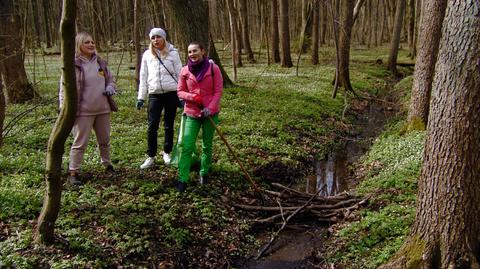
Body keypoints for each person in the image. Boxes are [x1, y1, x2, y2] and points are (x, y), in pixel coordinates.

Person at [59, 32, 117, 185]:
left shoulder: (100, 62)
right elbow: (63, 88)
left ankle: (107, 164)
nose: (91, 45)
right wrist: (63, 107)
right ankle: (73, 171)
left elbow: (110, 79)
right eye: (87, 43)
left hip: (103, 108)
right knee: (80, 142)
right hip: (83, 111)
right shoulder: (73, 64)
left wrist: (111, 86)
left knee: (104, 140)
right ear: (79, 45)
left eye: (92, 42)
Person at [175, 41, 223, 192]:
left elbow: (218, 91)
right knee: (186, 146)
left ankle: (204, 172)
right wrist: (192, 97)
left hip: (210, 114)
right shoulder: (184, 71)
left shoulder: (213, 68)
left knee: (207, 145)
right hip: (192, 113)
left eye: (195, 51)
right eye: (189, 52)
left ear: (202, 51)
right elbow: (180, 92)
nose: (192, 54)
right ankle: (182, 178)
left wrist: (211, 107)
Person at [137, 27, 182, 169]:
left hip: (171, 93)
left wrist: (181, 96)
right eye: (153, 38)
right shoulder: (146, 55)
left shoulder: (173, 53)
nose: (156, 40)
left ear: (164, 38)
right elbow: (143, 77)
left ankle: (167, 152)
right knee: (152, 126)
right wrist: (141, 97)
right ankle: (151, 156)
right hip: (154, 94)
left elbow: (181, 75)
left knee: (168, 125)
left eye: (158, 37)